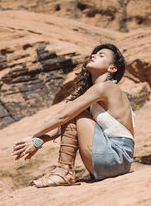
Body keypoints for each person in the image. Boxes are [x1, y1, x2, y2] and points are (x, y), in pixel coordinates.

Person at [12, 43, 135, 188]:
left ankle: (64, 172)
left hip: (115, 156)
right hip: (116, 162)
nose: (93, 56)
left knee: (75, 113)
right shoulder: (98, 92)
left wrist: (33, 136)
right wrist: (38, 141)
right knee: (76, 114)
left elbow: (62, 116)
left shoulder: (106, 87)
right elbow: (66, 125)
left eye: (101, 55)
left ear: (112, 68)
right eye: (94, 54)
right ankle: (64, 172)